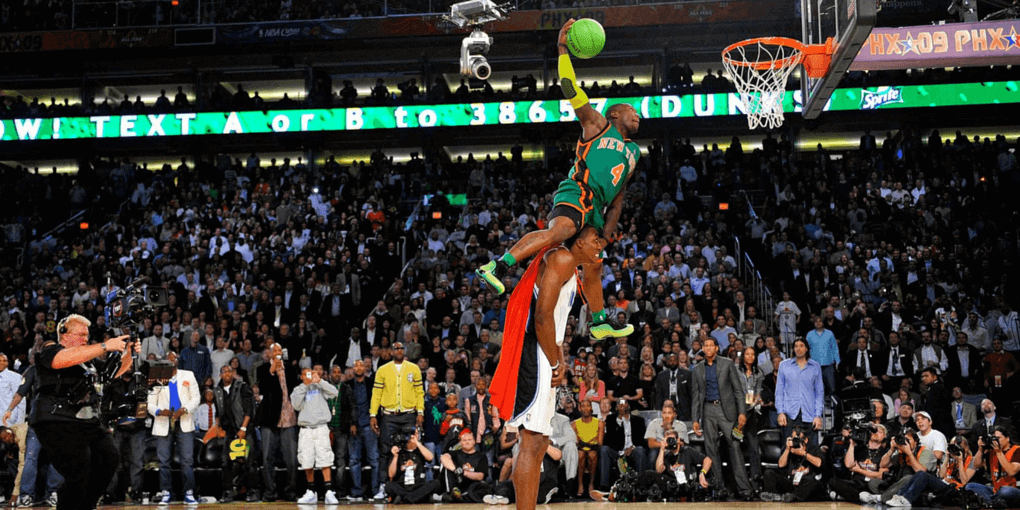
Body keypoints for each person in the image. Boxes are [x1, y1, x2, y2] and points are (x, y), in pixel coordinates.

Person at [476, 18, 641, 341]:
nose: (637, 115)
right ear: (614, 114)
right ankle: (497, 266)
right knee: (562, 230)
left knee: (594, 261)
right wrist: (562, 49)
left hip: (598, 206)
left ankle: (598, 321)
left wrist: (607, 234)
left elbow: (619, 199)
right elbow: (569, 88)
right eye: (630, 110)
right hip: (577, 189)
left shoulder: (634, 153)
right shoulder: (596, 124)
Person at [488, 224, 606, 510]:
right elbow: (541, 317)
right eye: (594, 240)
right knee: (531, 442)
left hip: (544, 351)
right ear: (578, 243)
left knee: (539, 443)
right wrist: (554, 361)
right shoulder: (561, 258)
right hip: (535, 354)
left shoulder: (569, 263)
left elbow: (548, 318)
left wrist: (559, 355)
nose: (600, 245)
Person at [30, 314, 138, 510]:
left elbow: (113, 373)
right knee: (78, 471)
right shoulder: (50, 349)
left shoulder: (87, 361)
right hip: (55, 418)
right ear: (64, 334)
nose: (85, 339)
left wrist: (128, 352)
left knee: (109, 458)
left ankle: (86, 506)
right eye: (81, 334)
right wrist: (105, 346)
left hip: (85, 420)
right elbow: (59, 360)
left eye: (87, 335)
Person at [690, 336, 752, 499]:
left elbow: (738, 391)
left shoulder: (728, 364)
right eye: (705, 345)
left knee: (735, 446)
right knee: (711, 450)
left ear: (717, 348)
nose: (708, 348)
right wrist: (695, 419)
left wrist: (742, 413)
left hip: (728, 411)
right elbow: (696, 396)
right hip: (708, 410)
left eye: (711, 345)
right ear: (703, 348)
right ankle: (718, 488)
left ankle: (744, 489)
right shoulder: (697, 369)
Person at [370, 340, 425, 495]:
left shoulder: (414, 369)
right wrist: (373, 414)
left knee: (410, 449)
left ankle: (409, 486)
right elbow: (376, 394)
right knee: (385, 451)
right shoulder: (383, 370)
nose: (399, 350)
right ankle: (383, 486)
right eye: (396, 348)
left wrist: (420, 412)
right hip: (389, 415)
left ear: (404, 350)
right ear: (391, 352)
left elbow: (419, 393)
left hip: (409, 414)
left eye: (401, 348)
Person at [148, 350, 201, 504]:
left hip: (184, 421)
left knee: (187, 460)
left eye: (173, 357)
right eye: (168, 357)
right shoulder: (157, 376)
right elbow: (149, 402)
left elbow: (196, 398)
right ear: (164, 360)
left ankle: (189, 492)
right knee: (164, 460)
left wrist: (184, 409)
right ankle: (165, 492)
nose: (171, 359)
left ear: (177, 360)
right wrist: (159, 411)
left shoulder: (188, 375)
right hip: (163, 422)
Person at [254, 342, 300, 501]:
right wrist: (272, 372)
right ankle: (270, 492)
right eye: (275, 350)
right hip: (269, 419)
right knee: (267, 458)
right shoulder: (263, 369)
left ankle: (290, 491)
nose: (278, 352)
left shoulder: (292, 369)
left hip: (289, 418)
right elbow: (263, 390)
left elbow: (296, 390)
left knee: (292, 459)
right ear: (270, 353)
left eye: (280, 349)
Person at [291, 366, 340, 504]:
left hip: (321, 427)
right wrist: (305, 386)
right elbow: (296, 405)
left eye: (310, 373)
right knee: (307, 460)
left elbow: (334, 393)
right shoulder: (297, 389)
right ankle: (311, 491)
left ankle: (329, 491)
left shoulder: (320, 386)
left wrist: (320, 381)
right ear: (301, 376)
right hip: (306, 429)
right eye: (305, 374)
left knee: (325, 458)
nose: (308, 375)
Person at [885, 435, 976, 507]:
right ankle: (900, 496)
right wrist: (947, 457)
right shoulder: (952, 461)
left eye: (959, 447)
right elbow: (941, 475)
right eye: (953, 447)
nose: (956, 449)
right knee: (920, 473)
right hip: (946, 486)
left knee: (924, 476)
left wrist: (960, 461)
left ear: (967, 448)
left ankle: (907, 499)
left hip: (958, 491)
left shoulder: (972, 460)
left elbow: (964, 481)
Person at [213, 364, 257, 502]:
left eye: (229, 371)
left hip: (245, 429)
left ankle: (253, 492)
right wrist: (218, 426)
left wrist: (243, 428)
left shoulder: (242, 386)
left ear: (232, 373)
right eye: (224, 372)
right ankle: (227, 492)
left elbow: (249, 410)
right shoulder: (218, 390)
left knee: (249, 462)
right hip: (229, 430)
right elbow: (218, 410)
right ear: (220, 375)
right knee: (226, 462)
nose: (227, 374)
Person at [858, 428, 936, 505]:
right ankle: (892, 496)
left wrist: (909, 453)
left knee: (909, 478)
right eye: (903, 439)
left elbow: (920, 472)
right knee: (873, 482)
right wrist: (891, 449)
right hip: (899, 485)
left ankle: (880, 498)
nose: (905, 442)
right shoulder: (901, 453)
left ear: (916, 442)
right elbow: (883, 464)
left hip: (917, 488)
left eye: (908, 440)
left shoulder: (925, 452)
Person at [760, 425, 825, 502]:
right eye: (794, 438)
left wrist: (804, 454)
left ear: (806, 440)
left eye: (798, 439)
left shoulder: (813, 448)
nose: (796, 441)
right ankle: (774, 496)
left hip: (806, 484)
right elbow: (781, 465)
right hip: (792, 484)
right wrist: (787, 449)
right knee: (768, 473)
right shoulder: (790, 449)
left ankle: (794, 497)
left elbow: (819, 463)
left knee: (813, 482)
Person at [775, 338, 824, 439]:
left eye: (801, 346)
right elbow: (779, 391)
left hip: (810, 413)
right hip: (789, 413)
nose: (798, 348)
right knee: (788, 448)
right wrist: (780, 412)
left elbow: (819, 393)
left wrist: (818, 415)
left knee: (810, 450)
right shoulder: (784, 365)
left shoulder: (815, 366)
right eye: (796, 346)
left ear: (806, 348)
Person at [348, 360, 381, 501]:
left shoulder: (371, 383)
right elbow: (347, 407)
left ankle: (375, 491)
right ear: (352, 369)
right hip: (354, 426)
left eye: (361, 365)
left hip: (369, 425)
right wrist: (351, 423)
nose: (359, 368)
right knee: (354, 460)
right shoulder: (348, 385)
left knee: (374, 459)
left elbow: (378, 401)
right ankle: (357, 492)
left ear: (365, 368)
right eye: (356, 365)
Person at [963, 425, 1020, 507]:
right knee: (970, 486)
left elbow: (1011, 471)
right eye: (993, 439)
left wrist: (999, 452)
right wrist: (980, 449)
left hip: (1013, 489)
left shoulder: (1017, 450)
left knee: (1005, 491)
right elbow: (975, 466)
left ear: (1007, 438)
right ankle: (993, 503)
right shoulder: (991, 451)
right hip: (995, 490)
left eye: (998, 438)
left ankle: (988, 501)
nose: (995, 442)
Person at [383, 425, 440, 504]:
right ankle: (416, 498)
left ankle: (406, 498)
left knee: (436, 483)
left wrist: (417, 443)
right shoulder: (398, 450)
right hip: (402, 486)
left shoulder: (420, 449)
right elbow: (391, 475)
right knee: (388, 486)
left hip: (418, 486)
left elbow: (430, 458)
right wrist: (395, 457)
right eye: (415, 434)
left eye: (417, 434)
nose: (417, 436)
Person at [325, 365, 355, 496]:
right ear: (329, 374)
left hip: (341, 429)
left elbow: (352, 407)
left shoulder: (346, 389)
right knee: (325, 461)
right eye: (334, 372)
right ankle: (326, 490)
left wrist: (353, 423)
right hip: (325, 429)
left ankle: (340, 491)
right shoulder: (324, 388)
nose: (337, 374)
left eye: (339, 372)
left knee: (340, 461)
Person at [572, 399, 603, 496]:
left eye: (588, 406)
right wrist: (586, 445)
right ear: (580, 408)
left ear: (591, 408)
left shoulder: (599, 423)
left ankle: (591, 483)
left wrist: (587, 445)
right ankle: (580, 484)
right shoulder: (574, 424)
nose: (586, 408)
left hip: (594, 449)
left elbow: (599, 443)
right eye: (583, 406)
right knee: (580, 454)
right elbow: (576, 442)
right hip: (580, 449)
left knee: (592, 454)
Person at [805, 317, 839, 398]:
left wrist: (837, 361)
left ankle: (833, 409)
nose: (818, 323)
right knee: (814, 389)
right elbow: (806, 349)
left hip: (828, 364)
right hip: (814, 365)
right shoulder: (810, 334)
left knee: (832, 388)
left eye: (820, 321)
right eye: (816, 322)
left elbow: (834, 347)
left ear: (823, 323)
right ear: (814, 323)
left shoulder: (829, 333)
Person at [653, 352, 692, 419]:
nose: (672, 362)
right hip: (667, 408)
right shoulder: (662, 375)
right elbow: (659, 394)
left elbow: (691, 392)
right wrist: (659, 410)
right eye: (670, 360)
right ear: (667, 362)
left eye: (674, 360)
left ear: (678, 361)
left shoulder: (686, 374)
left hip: (683, 408)